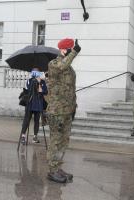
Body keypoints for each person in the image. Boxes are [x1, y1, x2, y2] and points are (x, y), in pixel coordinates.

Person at [46, 38, 81, 183]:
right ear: (63, 50)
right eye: (70, 49)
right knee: (55, 141)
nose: (72, 51)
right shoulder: (54, 64)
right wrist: (74, 53)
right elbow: (62, 66)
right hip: (56, 111)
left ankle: (58, 167)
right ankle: (52, 171)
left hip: (67, 110)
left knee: (64, 142)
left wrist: (74, 107)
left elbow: (71, 90)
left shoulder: (69, 68)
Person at [20, 68, 48, 144]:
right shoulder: (30, 80)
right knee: (26, 120)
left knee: (37, 121)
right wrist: (35, 81)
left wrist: (39, 83)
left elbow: (44, 92)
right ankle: (23, 136)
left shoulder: (42, 82)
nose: (36, 73)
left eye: (38, 72)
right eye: (34, 72)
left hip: (38, 103)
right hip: (30, 103)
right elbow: (29, 89)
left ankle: (35, 137)